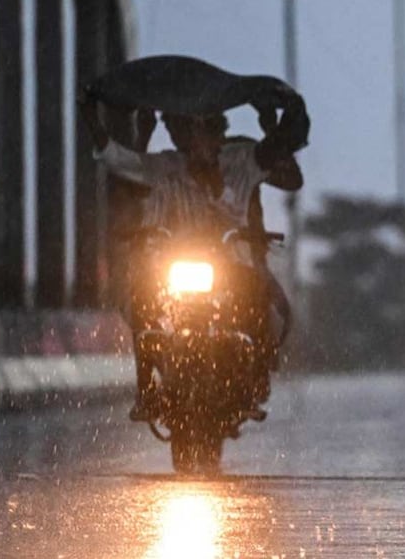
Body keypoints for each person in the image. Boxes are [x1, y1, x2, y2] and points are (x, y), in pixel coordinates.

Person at [78, 92, 307, 421]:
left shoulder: (243, 158)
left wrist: (273, 116)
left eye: (191, 131)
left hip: (234, 265)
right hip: (176, 266)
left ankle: (255, 376)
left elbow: (283, 149)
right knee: (139, 299)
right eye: (175, 130)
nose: (184, 140)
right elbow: (118, 159)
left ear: (214, 132)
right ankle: (146, 388)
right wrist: (90, 115)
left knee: (267, 306)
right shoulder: (167, 166)